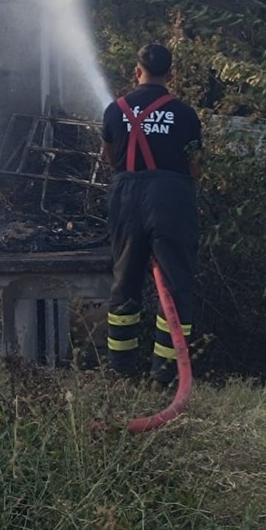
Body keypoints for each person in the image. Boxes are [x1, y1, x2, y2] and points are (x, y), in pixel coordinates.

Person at [101, 43, 203, 385]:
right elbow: (196, 167)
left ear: (136, 71)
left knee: (124, 284)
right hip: (172, 199)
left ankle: (120, 372)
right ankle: (165, 375)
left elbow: (111, 159)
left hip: (126, 197)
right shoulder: (186, 114)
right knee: (175, 288)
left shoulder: (115, 111)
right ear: (171, 75)